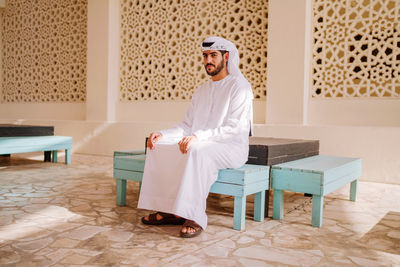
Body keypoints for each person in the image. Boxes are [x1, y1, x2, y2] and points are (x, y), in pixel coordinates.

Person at [137, 36, 253, 238]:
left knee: (197, 150)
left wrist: (198, 137)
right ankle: (169, 210)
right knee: (159, 145)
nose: (208, 60)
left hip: (231, 147)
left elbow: (234, 128)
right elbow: (186, 125)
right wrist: (163, 134)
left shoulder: (240, 86)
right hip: (202, 141)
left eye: (213, 55)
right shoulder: (202, 90)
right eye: (205, 56)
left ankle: (195, 216)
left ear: (226, 57)